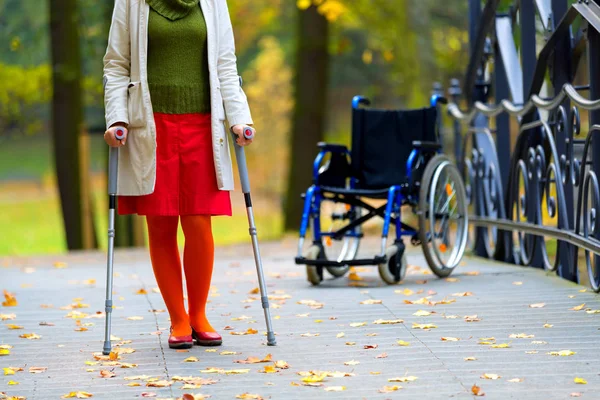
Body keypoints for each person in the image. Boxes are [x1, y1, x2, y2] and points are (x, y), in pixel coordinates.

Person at [103, 0, 254, 350]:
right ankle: (178, 319)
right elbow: (116, 64)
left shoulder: (213, 2)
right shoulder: (131, 2)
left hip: (203, 124)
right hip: (151, 125)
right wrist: (117, 119)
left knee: (199, 220)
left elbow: (225, 65)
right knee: (160, 222)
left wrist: (240, 118)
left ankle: (199, 314)